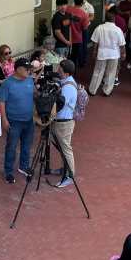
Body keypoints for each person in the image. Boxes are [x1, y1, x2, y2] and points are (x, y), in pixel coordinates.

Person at [0, 57, 35, 184]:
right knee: (11, 147)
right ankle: (8, 171)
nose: (29, 71)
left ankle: (23, 166)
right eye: (27, 69)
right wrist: (4, 119)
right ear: (18, 69)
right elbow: (2, 102)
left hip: (29, 120)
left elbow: (33, 95)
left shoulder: (30, 80)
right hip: (14, 121)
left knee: (26, 145)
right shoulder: (7, 84)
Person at [53, 59, 79, 188]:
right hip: (61, 122)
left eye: (60, 70)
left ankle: (69, 176)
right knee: (61, 147)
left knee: (66, 149)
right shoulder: (66, 82)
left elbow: (60, 105)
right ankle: (65, 168)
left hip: (64, 123)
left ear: (66, 73)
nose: (58, 71)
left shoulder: (68, 87)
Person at [89, 11, 126, 97]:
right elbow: (122, 44)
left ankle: (92, 90)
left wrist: (94, 52)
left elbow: (95, 42)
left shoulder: (99, 28)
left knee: (98, 72)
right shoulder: (118, 30)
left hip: (102, 53)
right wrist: (123, 54)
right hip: (114, 54)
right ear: (114, 19)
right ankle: (107, 91)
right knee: (111, 73)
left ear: (105, 19)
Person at [68, 0, 92, 68]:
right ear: (81, 4)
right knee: (75, 56)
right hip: (77, 37)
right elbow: (85, 28)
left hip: (67, 36)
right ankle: (77, 67)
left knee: (67, 55)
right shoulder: (84, 14)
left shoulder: (68, 9)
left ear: (74, 2)